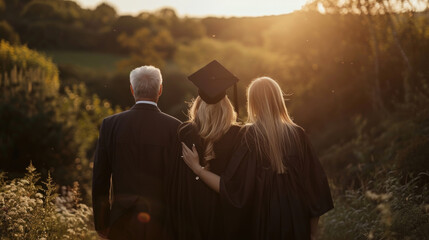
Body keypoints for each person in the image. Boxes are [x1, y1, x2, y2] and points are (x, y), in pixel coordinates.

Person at [182, 76, 334, 240]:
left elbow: (231, 189)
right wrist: (312, 232)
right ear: (279, 99)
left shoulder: (248, 137)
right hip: (297, 224)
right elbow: (315, 190)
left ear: (252, 103)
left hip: (261, 225)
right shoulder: (298, 134)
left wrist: (198, 169)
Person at [92, 66, 181, 240]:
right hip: (162, 224)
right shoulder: (176, 128)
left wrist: (102, 222)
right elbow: (178, 182)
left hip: (120, 220)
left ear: (132, 89)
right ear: (160, 90)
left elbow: (100, 177)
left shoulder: (110, 125)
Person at [167, 60, 244, 240]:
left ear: (198, 104)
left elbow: (175, 178)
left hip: (192, 212)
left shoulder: (185, 132)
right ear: (227, 105)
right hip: (225, 214)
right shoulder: (239, 135)